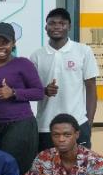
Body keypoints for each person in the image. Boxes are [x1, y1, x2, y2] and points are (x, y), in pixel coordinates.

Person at [29, 8, 99, 152]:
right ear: (46, 27)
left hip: (77, 123)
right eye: (52, 23)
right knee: (48, 165)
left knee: (79, 165)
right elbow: (32, 90)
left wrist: (89, 122)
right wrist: (44, 90)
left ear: (69, 27)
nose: (57, 27)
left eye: (62, 23)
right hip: (45, 125)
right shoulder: (37, 56)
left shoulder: (83, 51)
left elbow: (91, 88)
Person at [0, 22, 43, 175]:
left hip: (20, 125)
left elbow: (39, 92)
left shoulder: (23, 63)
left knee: (13, 170)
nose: (1, 47)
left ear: (13, 43)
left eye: (5, 42)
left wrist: (14, 92)